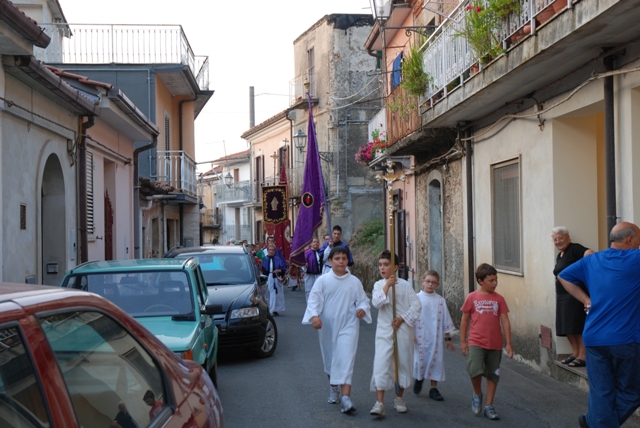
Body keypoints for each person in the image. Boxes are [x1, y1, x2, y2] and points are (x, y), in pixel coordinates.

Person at [558, 221, 640, 428]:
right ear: (630, 240)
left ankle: (595, 422)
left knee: (601, 392)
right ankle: (593, 423)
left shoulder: (592, 260)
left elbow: (563, 276)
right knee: (633, 392)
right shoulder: (636, 258)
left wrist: (585, 299)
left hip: (594, 337)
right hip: (625, 339)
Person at [302, 246, 372, 414]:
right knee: (331, 358)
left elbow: (363, 300)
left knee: (346, 358)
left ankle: (346, 398)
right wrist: (314, 317)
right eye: (337, 258)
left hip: (349, 324)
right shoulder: (322, 281)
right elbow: (314, 300)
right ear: (330, 261)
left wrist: (362, 309)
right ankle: (334, 389)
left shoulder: (354, 282)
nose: (341, 261)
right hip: (327, 326)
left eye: (344, 258)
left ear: (348, 261)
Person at [369, 250, 421, 416]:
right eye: (380, 265)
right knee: (382, 362)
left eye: (386, 264)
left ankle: (399, 398)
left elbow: (416, 306)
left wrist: (402, 319)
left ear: (396, 267)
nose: (382, 268)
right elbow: (376, 303)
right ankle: (379, 402)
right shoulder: (379, 285)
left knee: (403, 362)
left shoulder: (405, 285)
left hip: (403, 329)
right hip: (385, 329)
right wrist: (387, 286)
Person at [460, 263, 513, 421]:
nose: (495, 283)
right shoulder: (472, 297)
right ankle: (477, 393)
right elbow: (464, 320)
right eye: (491, 280)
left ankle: (489, 405)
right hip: (476, 341)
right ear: (480, 281)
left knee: (493, 374)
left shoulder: (499, 299)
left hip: (495, 343)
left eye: (496, 280)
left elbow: (505, 321)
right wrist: (463, 341)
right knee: (474, 369)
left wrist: (509, 343)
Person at [551, 226, 594, 368]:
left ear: (568, 237)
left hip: (575, 295)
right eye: (555, 240)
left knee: (577, 325)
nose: (558, 242)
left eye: (560, 238)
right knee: (567, 327)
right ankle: (575, 353)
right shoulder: (560, 255)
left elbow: (590, 254)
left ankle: (583, 355)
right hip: (563, 296)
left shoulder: (575, 249)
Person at [413, 270, 456, 401]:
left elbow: (445, 319)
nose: (430, 284)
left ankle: (433, 388)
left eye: (433, 282)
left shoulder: (440, 301)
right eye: (428, 281)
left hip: (435, 337)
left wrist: (448, 338)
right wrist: (410, 334)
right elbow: (411, 317)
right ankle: (419, 379)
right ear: (422, 282)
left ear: (438, 284)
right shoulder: (416, 298)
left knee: (436, 361)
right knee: (420, 360)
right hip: (419, 336)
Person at [262, 245, 287, 316]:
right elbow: (262, 269)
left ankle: (275, 309)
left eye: (273, 250)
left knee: (277, 294)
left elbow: (283, 268)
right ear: (267, 250)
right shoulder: (264, 259)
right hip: (268, 277)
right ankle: (268, 309)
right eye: (270, 250)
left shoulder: (278, 259)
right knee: (268, 294)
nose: (271, 251)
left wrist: (279, 270)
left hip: (276, 277)